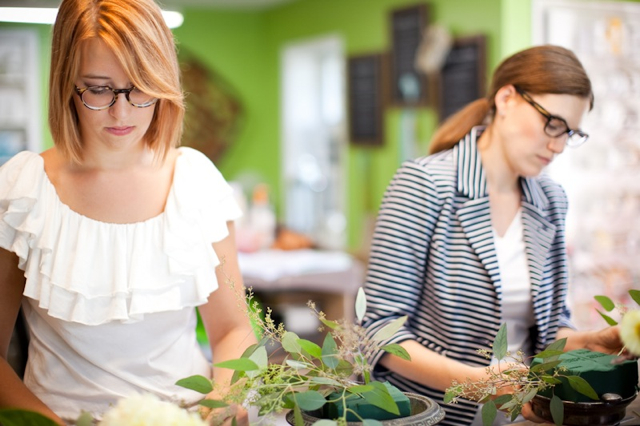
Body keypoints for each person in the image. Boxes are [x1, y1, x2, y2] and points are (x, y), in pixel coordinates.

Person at [0, 0, 256, 424]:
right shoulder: (23, 189)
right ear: (66, 84)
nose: (122, 112)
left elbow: (232, 330)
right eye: (99, 89)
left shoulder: (195, 180)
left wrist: (226, 402)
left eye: (139, 87)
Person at [362, 45, 624, 425]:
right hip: (435, 415)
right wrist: (481, 384)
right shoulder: (425, 185)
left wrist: (589, 342)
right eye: (552, 124)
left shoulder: (550, 199)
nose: (558, 145)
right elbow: (378, 335)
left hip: (525, 416)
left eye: (571, 133)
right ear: (506, 98)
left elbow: (548, 332)